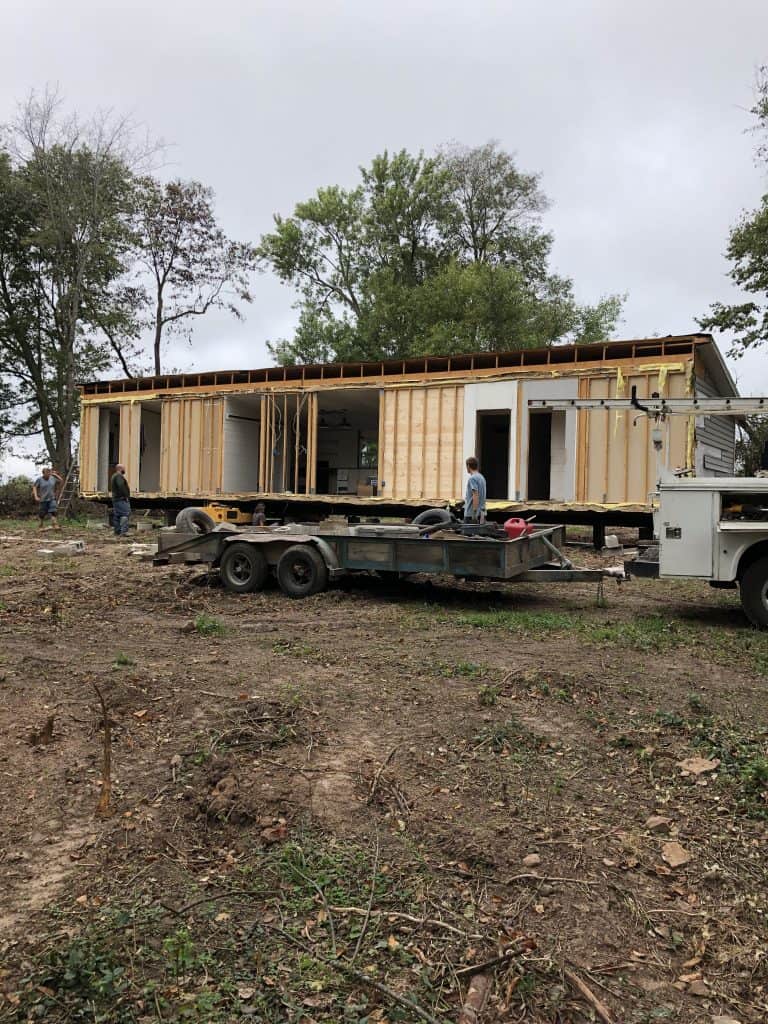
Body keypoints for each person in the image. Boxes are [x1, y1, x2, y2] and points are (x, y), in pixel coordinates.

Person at [110, 463, 131, 537]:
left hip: (116, 499)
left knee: (117, 515)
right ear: (120, 469)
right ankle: (124, 532)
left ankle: (117, 531)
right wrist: (126, 496)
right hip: (121, 499)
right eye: (124, 468)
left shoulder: (114, 476)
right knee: (125, 513)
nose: (124, 470)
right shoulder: (119, 476)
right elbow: (121, 486)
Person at [464, 456, 487, 523]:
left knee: (467, 533)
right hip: (482, 513)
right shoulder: (481, 477)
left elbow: (475, 495)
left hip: (472, 515)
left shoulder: (472, 478)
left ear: (468, 466)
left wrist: (474, 514)